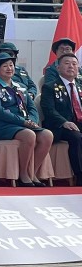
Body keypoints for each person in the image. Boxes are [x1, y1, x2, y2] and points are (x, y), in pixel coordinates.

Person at [0, 52, 52, 187]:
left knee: (47, 135)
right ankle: (22, 174)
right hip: (4, 126)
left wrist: (32, 120)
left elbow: (32, 108)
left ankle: (32, 172)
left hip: (25, 124)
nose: (9, 68)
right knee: (29, 135)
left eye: (11, 65)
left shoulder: (21, 87)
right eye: (5, 66)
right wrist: (23, 122)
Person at [40, 52, 82, 184]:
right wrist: (64, 122)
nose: (71, 66)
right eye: (67, 63)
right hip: (59, 126)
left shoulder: (80, 86)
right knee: (76, 137)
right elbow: (49, 110)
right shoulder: (50, 87)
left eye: (74, 64)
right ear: (58, 68)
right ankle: (79, 176)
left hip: (79, 122)